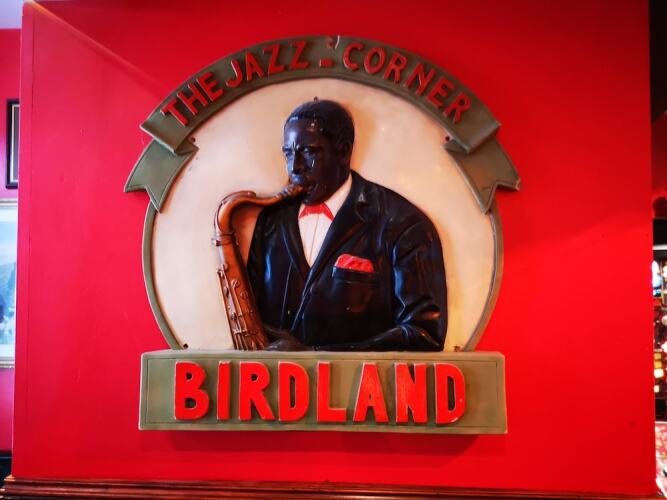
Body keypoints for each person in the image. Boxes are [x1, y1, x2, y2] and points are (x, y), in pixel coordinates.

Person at [246, 99, 447, 351]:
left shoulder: (404, 223)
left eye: (308, 152)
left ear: (343, 152)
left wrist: (314, 355)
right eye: (288, 153)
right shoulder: (271, 220)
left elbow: (425, 334)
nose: (294, 167)